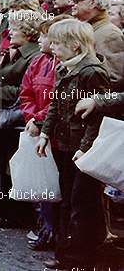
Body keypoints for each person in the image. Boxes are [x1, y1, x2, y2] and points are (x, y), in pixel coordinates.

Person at [36, 19, 110, 270]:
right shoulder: (64, 68)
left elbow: (97, 115)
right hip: (64, 143)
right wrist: (46, 133)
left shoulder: (92, 71)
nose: (52, 47)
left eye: (57, 43)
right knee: (67, 199)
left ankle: (82, 257)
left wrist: (86, 147)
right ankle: (66, 254)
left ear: (75, 46)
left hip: (83, 147)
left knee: (82, 202)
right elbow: (56, 104)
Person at [18, 15, 69, 250]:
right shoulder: (38, 61)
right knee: (43, 182)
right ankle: (46, 229)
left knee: (58, 184)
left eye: (44, 35)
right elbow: (26, 91)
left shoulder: (63, 65)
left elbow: (58, 100)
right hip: (38, 128)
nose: (39, 39)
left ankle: (58, 233)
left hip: (57, 131)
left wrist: (38, 119)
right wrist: (30, 117)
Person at [0, 9, 43, 226]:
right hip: (6, 115)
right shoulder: (15, 52)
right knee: (4, 164)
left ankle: (16, 214)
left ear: (28, 32)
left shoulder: (32, 56)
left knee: (14, 166)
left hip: (19, 117)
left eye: (15, 28)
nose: (9, 32)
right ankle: (6, 210)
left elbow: (25, 90)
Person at [69, 0, 124, 91]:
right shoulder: (90, 30)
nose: (72, 5)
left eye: (76, 1)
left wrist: (90, 99)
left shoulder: (109, 35)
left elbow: (114, 80)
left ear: (92, 2)